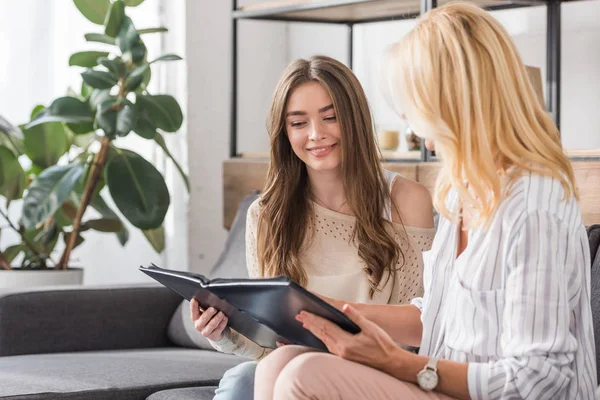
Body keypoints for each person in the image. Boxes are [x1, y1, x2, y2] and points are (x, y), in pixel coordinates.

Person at [253, 3, 598, 400]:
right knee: (281, 362)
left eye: (415, 104)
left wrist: (398, 363)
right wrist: (324, 312)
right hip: (440, 386)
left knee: (305, 374)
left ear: (457, 101)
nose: (409, 122)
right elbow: (432, 314)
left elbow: (537, 379)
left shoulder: (534, 204)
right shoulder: (461, 191)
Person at [189, 54, 435, 399]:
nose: (316, 135)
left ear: (355, 120)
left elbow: (416, 330)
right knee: (243, 379)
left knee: (246, 382)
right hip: (288, 365)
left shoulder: (406, 201)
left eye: (331, 118)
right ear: (284, 132)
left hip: (376, 372)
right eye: (298, 123)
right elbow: (267, 347)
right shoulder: (266, 213)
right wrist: (223, 333)